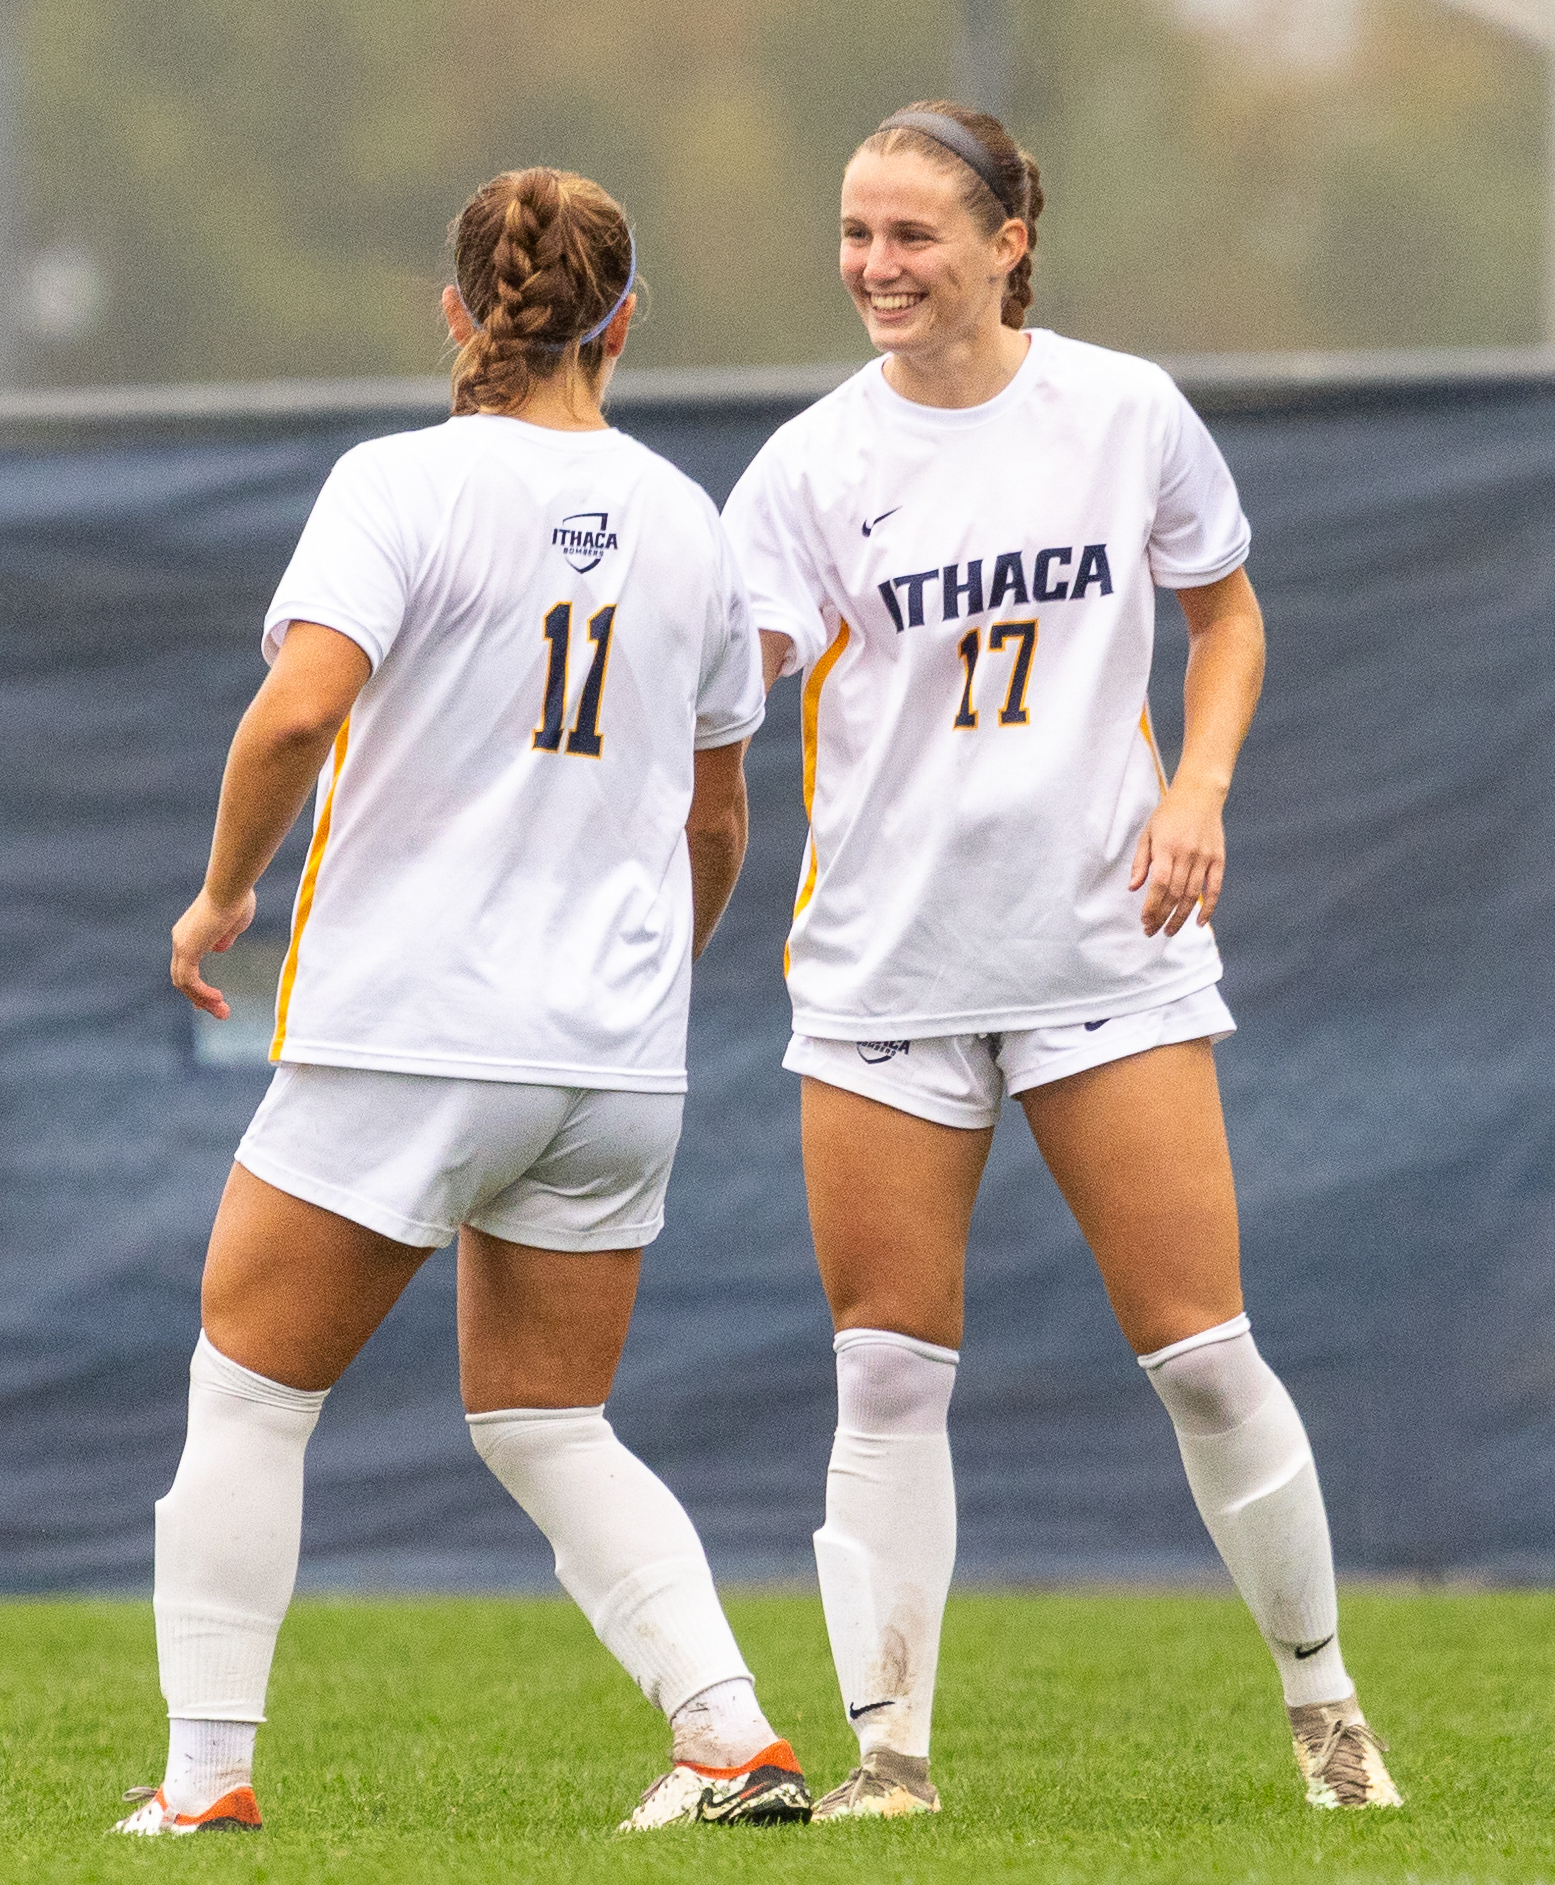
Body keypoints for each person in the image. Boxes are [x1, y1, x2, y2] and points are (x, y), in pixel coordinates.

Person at [721, 102, 1402, 1820]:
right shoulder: (808, 465)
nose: (875, 265)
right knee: (885, 1368)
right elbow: (735, 677)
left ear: (1006, 239)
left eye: (912, 234)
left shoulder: (1122, 409)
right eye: (856, 232)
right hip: (884, 970)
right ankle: (889, 1761)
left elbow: (1224, 614)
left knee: (1202, 1350)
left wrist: (1198, 787)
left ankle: (1326, 1717)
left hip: (1107, 947)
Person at [114, 167, 812, 1837]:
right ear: (624, 322)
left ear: (455, 312)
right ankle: (729, 1740)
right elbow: (718, 822)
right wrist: (638, 983)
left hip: (408, 1030)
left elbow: (296, 715)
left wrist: (220, 894)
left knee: (249, 1394)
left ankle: (204, 1783)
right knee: (548, 1418)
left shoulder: (398, 483)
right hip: (611, 1059)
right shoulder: (691, 523)